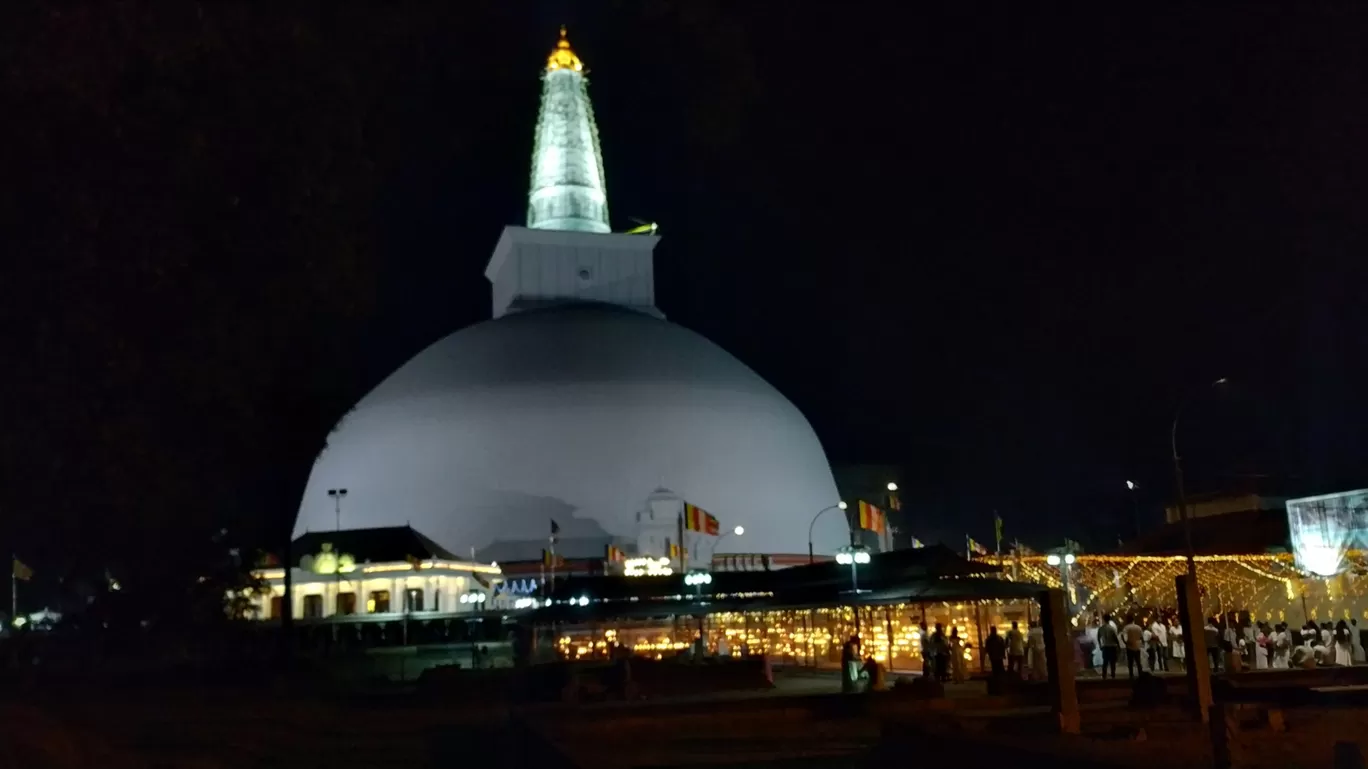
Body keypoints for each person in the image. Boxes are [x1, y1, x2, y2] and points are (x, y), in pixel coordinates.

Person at [1097, 613, 1120, 679]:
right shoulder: (1111, 628)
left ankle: (1104, 675)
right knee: (1112, 662)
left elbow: (1098, 637)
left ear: (1104, 619)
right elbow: (1115, 638)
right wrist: (1118, 646)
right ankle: (1113, 675)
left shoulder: (1101, 629)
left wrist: (1100, 645)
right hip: (1112, 646)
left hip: (1105, 646)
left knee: (1105, 662)